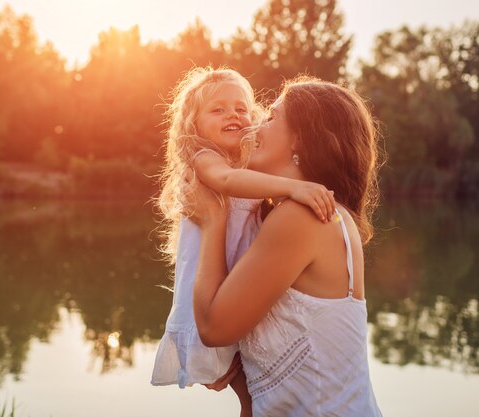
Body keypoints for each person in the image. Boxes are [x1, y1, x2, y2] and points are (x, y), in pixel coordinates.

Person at [190, 76, 383, 416]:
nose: (256, 124)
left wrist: (213, 220)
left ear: (301, 140)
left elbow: (211, 327)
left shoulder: (302, 218)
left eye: (271, 117)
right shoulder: (307, 215)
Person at [150, 67, 335, 415]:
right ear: (193, 125)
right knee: (250, 392)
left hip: (235, 288)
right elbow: (227, 180)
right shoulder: (205, 159)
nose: (233, 115)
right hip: (211, 293)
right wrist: (294, 187)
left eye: (240, 107)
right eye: (217, 109)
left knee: (254, 393)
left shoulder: (248, 163)